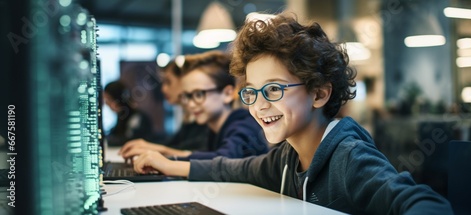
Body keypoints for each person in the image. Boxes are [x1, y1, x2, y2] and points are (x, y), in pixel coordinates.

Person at [131, 13, 453, 214]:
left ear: (319, 93)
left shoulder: (349, 158)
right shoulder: (286, 158)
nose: (258, 104)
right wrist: (170, 165)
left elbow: (424, 203)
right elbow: (232, 169)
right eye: (252, 92)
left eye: (273, 89)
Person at [120, 50, 269, 161]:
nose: (190, 104)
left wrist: (164, 153)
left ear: (228, 93)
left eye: (198, 94)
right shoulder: (214, 130)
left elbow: (224, 159)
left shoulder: (244, 125)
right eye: (187, 96)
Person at [118, 59, 210, 154]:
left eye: (168, 82)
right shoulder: (189, 116)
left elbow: (199, 151)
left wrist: (155, 149)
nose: (163, 89)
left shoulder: (203, 118)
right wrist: (148, 146)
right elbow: (175, 145)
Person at [103, 80, 154, 146]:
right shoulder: (122, 115)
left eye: (108, 99)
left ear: (117, 99)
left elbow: (131, 140)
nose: (106, 103)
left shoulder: (136, 117)